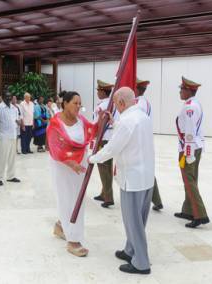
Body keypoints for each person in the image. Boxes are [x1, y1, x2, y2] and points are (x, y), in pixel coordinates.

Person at [88, 87, 154, 275]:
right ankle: (130, 250)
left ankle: (141, 263)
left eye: (116, 103)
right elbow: (129, 133)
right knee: (138, 219)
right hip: (146, 177)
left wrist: (92, 159)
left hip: (132, 179)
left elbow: (112, 149)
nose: (115, 106)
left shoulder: (127, 121)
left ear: (122, 103)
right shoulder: (142, 116)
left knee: (133, 222)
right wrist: (114, 122)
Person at [47, 91, 97, 257]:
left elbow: (93, 130)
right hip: (63, 167)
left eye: (79, 104)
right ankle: (73, 241)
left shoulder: (81, 120)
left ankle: (61, 226)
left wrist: (105, 119)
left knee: (77, 198)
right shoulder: (55, 123)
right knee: (68, 199)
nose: (78, 107)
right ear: (65, 103)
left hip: (79, 166)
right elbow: (55, 148)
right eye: (75, 103)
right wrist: (71, 163)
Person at [174, 77, 210, 228]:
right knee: (189, 180)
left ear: (188, 90)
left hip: (189, 148)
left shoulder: (189, 107)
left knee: (189, 181)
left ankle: (200, 215)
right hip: (193, 146)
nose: (180, 92)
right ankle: (188, 210)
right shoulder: (194, 103)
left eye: (181, 89)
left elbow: (189, 131)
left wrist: (188, 153)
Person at [136, 78, 164, 211]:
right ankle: (156, 200)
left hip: (140, 142)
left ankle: (153, 199)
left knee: (144, 171)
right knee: (144, 171)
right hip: (140, 141)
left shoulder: (140, 104)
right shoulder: (139, 102)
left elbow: (138, 125)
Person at [93, 79, 116, 208]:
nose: (97, 93)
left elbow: (97, 124)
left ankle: (108, 197)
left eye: (98, 90)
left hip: (103, 138)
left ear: (102, 91)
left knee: (103, 168)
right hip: (111, 138)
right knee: (108, 167)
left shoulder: (101, 106)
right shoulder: (113, 104)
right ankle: (104, 193)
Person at [0, 90, 21, 186]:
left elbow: (16, 120)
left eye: (10, 96)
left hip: (13, 136)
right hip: (3, 137)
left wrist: (18, 126)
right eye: (7, 96)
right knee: (2, 158)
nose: (9, 98)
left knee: (12, 158)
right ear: (2, 97)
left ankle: (11, 176)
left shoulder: (14, 108)